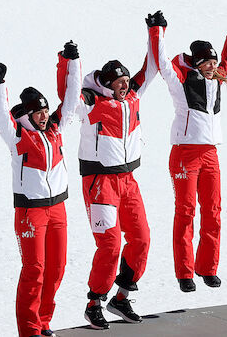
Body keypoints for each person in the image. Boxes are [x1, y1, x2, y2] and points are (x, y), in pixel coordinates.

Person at [56, 25, 158, 328]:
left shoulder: (133, 97)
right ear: (107, 83)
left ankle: (122, 297)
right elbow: (68, 96)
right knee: (110, 245)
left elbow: (150, 68)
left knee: (141, 239)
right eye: (120, 82)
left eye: (127, 81)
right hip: (100, 183)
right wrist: (69, 63)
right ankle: (94, 302)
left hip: (128, 181)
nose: (125, 86)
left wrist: (156, 31)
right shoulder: (92, 101)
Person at [147, 11, 227, 292]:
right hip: (185, 154)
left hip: (210, 154)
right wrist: (158, 29)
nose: (211, 66)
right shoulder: (180, 80)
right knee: (186, 211)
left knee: (213, 211)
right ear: (196, 63)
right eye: (206, 62)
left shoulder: (218, 78)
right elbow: (161, 62)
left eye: (213, 61)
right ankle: (184, 272)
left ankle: (207, 267)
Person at [0, 41, 78, 337]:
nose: (44, 115)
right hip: (31, 212)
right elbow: (1, 116)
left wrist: (73, 61)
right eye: (38, 112)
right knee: (35, 271)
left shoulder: (55, 129)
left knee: (57, 268)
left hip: (58, 209)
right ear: (27, 115)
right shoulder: (18, 137)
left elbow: (70, 100)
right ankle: (29, 330)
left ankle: (43, 321)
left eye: (44, 110)